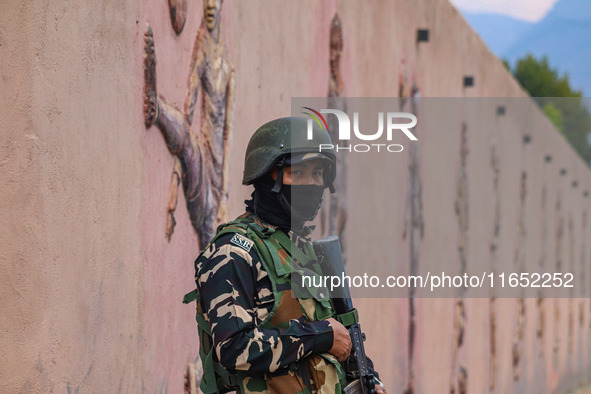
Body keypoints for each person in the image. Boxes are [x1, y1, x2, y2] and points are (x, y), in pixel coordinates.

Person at [184, 117, 386, 393]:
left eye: (317, 174)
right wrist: (320, 336)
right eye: (297, 172)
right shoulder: (233, 251)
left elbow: (341, 336)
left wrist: (370, 379)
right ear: (266, 174)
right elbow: (233, 349)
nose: (310, 184)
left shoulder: (297, 249)